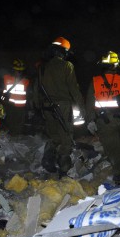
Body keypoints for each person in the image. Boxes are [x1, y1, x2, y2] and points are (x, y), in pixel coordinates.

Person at [32, 36, 86, 176]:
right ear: (64, 52)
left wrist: (38, 106)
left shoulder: (42, 67)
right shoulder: (67, 66)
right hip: (63, 106)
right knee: (66, 137)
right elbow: (73, 89)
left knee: (54, 135)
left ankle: (48, 160)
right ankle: (64, 170)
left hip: (47, 107)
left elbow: (36, 89)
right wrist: (81, 107)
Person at [85, 51, 120, 185]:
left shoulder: (95, 81)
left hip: (104, 122)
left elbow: (89, 103)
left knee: (112, 148)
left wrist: (90, 120)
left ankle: (119, 174)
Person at [0, 58, 30, 135]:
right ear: (13, 70)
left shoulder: (26, 81)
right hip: (10, 106)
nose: (19, 73)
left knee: (18, 126)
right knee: (11, 124)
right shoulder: (6, 78)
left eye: (21, 71)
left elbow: (29, 94)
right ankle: (12, 139)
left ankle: (16, 139)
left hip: (20, 108)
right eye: (18, 71)